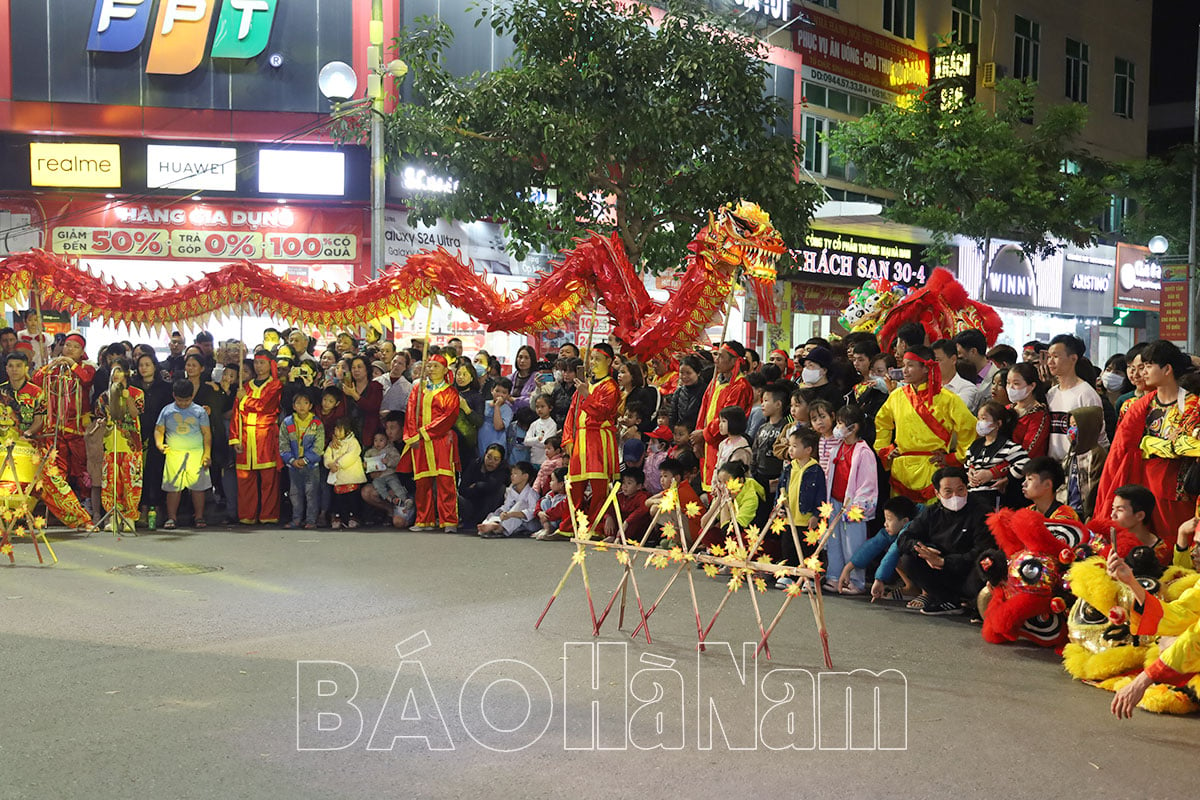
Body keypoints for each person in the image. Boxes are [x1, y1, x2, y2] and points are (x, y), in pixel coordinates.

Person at [1096, 340, 1200, 540]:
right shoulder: (1141, 405)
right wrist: (1160, 445)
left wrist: (1148, 444)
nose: (1142, 372)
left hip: (1176, 493)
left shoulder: (1192, 404)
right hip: (1143, 487)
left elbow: (1188, 446)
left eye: (1149, 366)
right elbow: (1124, 446)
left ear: (1167, 369)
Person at [874, 345, 977, 504]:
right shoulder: (896, 396)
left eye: (910, 365)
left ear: (926, 368)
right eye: (904, 365)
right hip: (901, 469)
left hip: (932, 467)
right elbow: (882, 422)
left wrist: (954, 457)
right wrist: (885, 449)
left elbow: (969, 427)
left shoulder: (947, 399)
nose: (904, 370)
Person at [896, 466, 993, 616]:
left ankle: (977, 604)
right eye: (948, 491)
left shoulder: (982, 511)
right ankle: (947, 600)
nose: (956, 496)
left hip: (969, 571)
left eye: (960, 489)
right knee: (908, 559)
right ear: (937, 493)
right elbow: (904, 538)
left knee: (987, 565)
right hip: (940, 570)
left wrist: (944, 561)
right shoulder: (931, 512)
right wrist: (922, 550)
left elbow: (982, 550)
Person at [562, 343, 621, 537]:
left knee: (598, 488)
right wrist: (568, 438)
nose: (593, 363)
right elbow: (572, 413)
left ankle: (596, 526)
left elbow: (603, 413)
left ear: (609, 362)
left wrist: (587, 395)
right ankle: (572, 525)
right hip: (580, 440)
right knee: (575, 485)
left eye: (598, 359)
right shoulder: (585, 384)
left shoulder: (610, 387)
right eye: (592, 359)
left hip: (598, 441)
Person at [402, 353, 461, 532]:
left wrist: (425, 432)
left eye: (436, 366)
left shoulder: (450, 392)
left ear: (445, 370)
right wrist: (413, 436)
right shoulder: (419, 389)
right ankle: (424, 519)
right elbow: (410, 412)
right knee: (422, 482)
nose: (432, 369)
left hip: (441, 440)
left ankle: (449, 520)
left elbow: (448, 416)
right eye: (429, 366)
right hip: (419, 442)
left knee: (445, 481)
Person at [823, 405, 878, 594]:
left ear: (853, 427)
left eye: (840, 423)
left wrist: (856, 505)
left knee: (853, 544)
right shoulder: (837, 448)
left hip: (852, 505)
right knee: (834, 541)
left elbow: (868, 483)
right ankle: (834, 576)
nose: (837, 427)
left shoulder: (864, 452)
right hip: (835, 500)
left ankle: (855, 580)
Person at [33, 330, 95, 493]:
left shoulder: (87, 368)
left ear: (82, 352)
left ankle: (85, 498)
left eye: (75, 347)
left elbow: (87, 380)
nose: (70, 349)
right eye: (67, 345)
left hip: (77, 426)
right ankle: (61, 500)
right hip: (55, 426)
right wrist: (50, 365)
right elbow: (37, 380)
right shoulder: (54, 367)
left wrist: (70, 363)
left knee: (81, 464)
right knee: (57, 465)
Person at [229, 352, 283, 526]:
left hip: (265, 435)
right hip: (245, 435)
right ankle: (247, 515)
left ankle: (268, 515)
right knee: (245, 478)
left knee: (269, 479)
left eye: (262, 363)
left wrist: (244, 399)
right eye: (257, 363)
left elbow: (264, 406)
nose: (259, 367)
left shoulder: (275, 386)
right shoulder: (245, 386)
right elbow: (236, 414)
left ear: (270, 365)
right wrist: (235, 438)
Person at [692, 341, 753, 492]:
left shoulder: (740, 386)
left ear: (733, 360)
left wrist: (704, 434)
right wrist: (698, 436)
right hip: (708, 443)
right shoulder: (715, 381)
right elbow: (703, 410)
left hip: (722, 442)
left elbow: (728, 416)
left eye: (721, 356)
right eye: (716, 356)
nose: (716, 360)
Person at [93, 357, 144, 531]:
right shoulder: (104, 396)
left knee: (131, 480)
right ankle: (113, 516)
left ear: (127, 373)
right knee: (111, 481)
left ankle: (130, 516)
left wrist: (126, 396)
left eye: (119, 370)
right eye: (113, 371)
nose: (115, 374)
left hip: (130, 444)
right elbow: (100, 416)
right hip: (111, 443)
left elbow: (136, 413)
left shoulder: (137, 393)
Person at [154, 379, 212, 530]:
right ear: (174, 396)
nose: (184, 403)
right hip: (174, 453)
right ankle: (171, 517)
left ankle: (199, 516)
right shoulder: (167, 411)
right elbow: (159, 430)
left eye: (187, 400)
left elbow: (206, 434)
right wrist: (159, 444)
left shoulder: (200, 411)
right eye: (180, 400)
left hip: (196, 453)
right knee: (173, 487)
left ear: (192, 396)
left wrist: (207, 454)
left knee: (198, 487)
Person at [775, 426, 825, 589]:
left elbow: (821, 494)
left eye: (795, 446)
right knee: (788, 546)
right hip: (790, 517)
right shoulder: (789, 468)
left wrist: (817, 514)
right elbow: (780, 489)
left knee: (807, 549)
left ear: (808, 450)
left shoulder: (816, 470)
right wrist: (780, 506)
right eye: (789, 445)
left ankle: (808, 577)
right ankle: (788, 575)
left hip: (806, 517)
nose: (790, 449)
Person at [841, 495, 918, 600]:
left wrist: (879, 579)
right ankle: (912, 588)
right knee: (896, 555)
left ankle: (927, 594)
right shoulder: (892, 531)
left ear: (905, 521)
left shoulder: (913, 528)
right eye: (885, 519)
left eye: (889, 519)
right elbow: (873, 545)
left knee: (898, 554)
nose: (885, 524)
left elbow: (894, 550)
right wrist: (848, 568)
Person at [1045, 333, 1106, 460]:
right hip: (1053, 466)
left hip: (1078, 467)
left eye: (1056, 356)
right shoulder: (1051, 393)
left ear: (1073, 358)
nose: (1050, 362)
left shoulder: (1086, 394)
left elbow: (1099, 436)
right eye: (1049, 356)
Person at [964, 401, 1029, 510]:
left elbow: (1024, 463)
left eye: (984, 419)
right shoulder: (975, 445)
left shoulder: (1008, 446)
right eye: (978, 419)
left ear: (998, 424)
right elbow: (968, 463)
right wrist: (970, 472)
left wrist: (999, 476)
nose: (979, 422)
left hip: (993, 496)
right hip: (972, 494)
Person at [279, 389, 325, 530]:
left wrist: (305, 460)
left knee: (311, 493)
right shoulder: (287, 423)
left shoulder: (316, 423)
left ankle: (311, 520)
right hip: (293, 466)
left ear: (310, 406)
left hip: (311, 466)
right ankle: (296, 519)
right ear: (293, 406)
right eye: (298, 403)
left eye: (305, 403)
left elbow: (319, 446)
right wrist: (292, 460)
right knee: (295, 493)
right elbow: (283, 444)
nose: (302, 406)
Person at [1059, 406, 1107, 519]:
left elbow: (1094, 488)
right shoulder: (1071, 453)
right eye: (1070, 426)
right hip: (1068, 510)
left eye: (1075, 426)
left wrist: (1089, 513)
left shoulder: (1096, 454)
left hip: (1086, 513)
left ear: (1087, 427)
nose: (1071, 430)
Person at [1111, 484, 1170, 566]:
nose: (1112, 515)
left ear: (1140, 516)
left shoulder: (1161, 551)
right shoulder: (1106, 541)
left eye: (1120, 510)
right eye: (1113, 508)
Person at [477, 461, 539, 538]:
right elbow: (507, 506)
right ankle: (492, 524)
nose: (512, 476)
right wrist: (503, 513)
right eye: (512, 474)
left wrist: (511, 514)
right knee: (496, 513)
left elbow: (532, 512)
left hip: (529, 524)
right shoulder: (510, 490)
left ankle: (499, 528)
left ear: (525, 476)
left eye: (515, 474)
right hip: (512, 521)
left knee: (521, 504)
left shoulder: (532, 493)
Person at [324, 418, 367, 529]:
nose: (336, 431)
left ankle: (354, 517)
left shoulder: (353, 442)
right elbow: (327, 454)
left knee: (352, 498)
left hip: (351, 476)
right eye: (335, 429)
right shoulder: (333, 443)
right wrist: (329, 464)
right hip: (337, 477)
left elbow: (352, 455)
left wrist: (339, 464)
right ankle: (338, 516)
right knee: (338, 499)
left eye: (339, 429)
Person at [459, 443, 509, 529]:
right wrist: (478, 488)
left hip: (489, 507)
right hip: (471, 503)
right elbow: (462, 490)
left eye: (496, 459)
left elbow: (492, 486)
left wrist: (477, 485)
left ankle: (487, 521)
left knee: (501, 489)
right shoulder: (475, 464)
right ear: (484, 455)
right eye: (489, 457)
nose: (491, 462)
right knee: (456, 497)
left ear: (501, 461)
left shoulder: (503, 469)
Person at [1006, 362, 1049, 459]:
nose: (1010, 388)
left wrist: (994, 472)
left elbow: (1028, 450)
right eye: (1008, 383)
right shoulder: (1007, 409)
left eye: (1016, 384)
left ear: (1032, 386)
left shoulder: (1039, 414)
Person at [0, 349, 45, 441]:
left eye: (19, 366)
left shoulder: (37, 392)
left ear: (26, 368)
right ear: (6, 369)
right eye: (11, 366)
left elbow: (39, 420)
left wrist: (28, 432)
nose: (14, 369)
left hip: (26, 441)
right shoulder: (1, 390)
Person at [1020, 456, 1079, 521]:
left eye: (1030, 479)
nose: (1024, 484)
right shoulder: (1027, 512)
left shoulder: (1065, 516)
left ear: (1047, 484)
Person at [342, 355, 384, 445]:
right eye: (353, 368)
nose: (356, 370)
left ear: (367, 370)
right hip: (349, 433)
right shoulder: (347, 387)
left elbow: (372, 407)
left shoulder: (375, 386)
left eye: (359, 367)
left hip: (369, 432)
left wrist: (354, 394)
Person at [932, 339, 980, 411]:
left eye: (937, 360)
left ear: (953, 359)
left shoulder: (968, 388)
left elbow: (955, 411)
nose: (932, 365)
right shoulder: (926, 385)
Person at [670, 355, 709, 432]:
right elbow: (672, 416)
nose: (684, 376)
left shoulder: (707, 391)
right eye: (681, 373)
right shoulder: (678, 392)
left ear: (698, 373)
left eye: (688, 373)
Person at [532, 466, 572, 541]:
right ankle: (547, 528)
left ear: (561, 484)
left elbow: (559, 510)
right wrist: (539, 512)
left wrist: (546, 514)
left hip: (558, 521)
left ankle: (550, 529)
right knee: (545, 502)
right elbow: (539, 502)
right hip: (549, 518)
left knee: (556, 504)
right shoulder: (551, 494)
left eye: (553, 480)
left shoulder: (568, 496)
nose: (550, 483)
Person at [479, 377, 514, 459]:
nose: (500, 395)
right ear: (492, 390)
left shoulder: (507, 410)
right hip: (481, 441)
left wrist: (497, 406)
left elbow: (498, 426)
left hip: (497, 443)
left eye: (504, 392)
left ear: (508, 395)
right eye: (497, 391)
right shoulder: (484, 404)